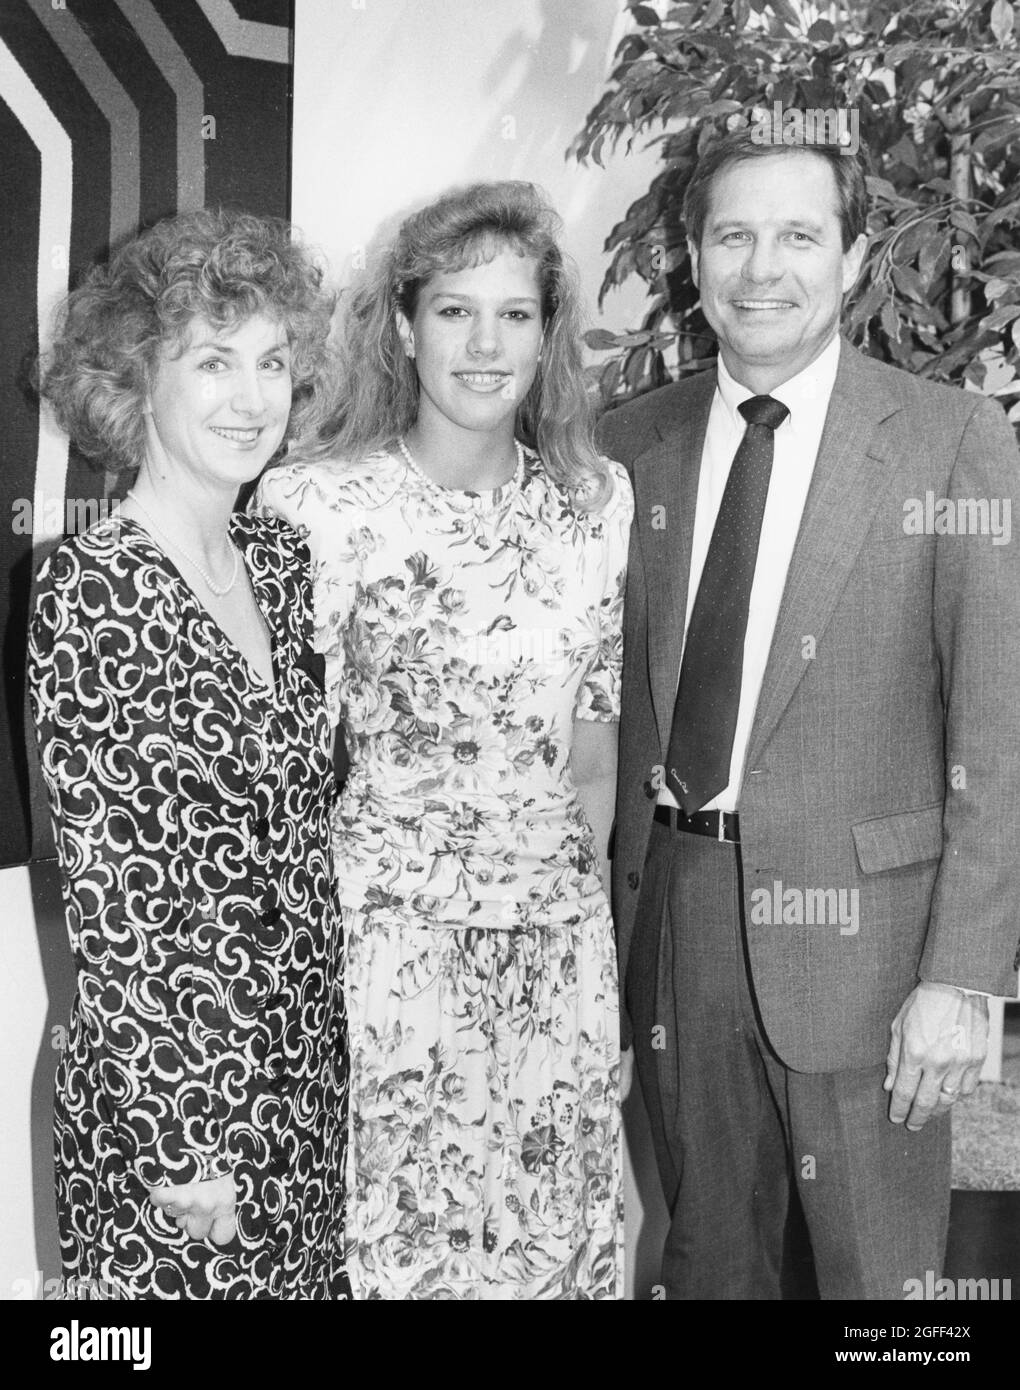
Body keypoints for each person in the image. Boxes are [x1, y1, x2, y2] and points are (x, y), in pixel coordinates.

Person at [599, 128, 1020, 1300]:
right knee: (709, 1269)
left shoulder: (950, 442)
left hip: (876, 958)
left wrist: (965, 977)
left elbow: (1003, 730)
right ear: (691, 259)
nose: (762, 266)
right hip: (678, 925)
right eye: (732, 235)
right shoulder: (630, 447)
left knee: (886, 1295)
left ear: (852, 257)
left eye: (798, 235)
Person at [254, 181, 631, 1300]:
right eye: (457, 311)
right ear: (407, 326)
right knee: (400, 1260)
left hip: (557, 962)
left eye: (515, 314)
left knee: (548, 1255)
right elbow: (280, 771)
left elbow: (597, 746)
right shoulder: (317, 507)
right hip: (387, 960)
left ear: (545, 335)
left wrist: (588, 951)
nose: (485, 343)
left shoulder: (594, 503)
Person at [29, 208, 349, 1300]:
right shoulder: (94, 588)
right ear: (137, 376)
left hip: (303, 1072)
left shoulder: (279, 555)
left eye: (271, 362)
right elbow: (118, 901)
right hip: (177, 1103)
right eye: (213, 361)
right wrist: (183, 1149)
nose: (251, 397)